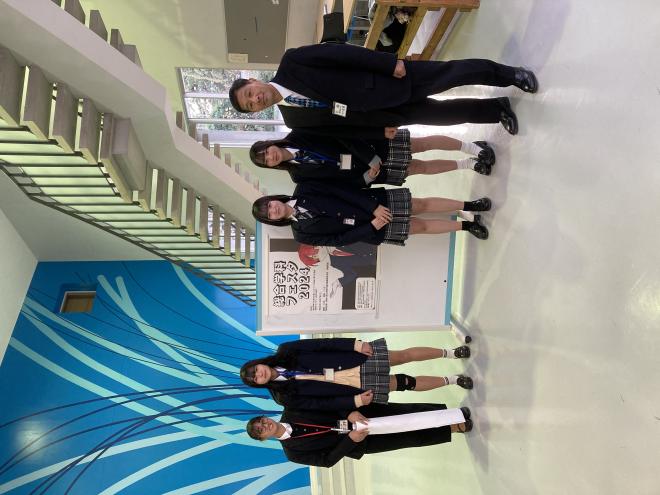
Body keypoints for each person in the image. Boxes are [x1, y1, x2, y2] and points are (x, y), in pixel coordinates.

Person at [229, 43, 538, 137]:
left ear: (253, 81)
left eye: (250, 94)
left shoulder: (292, 62)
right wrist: (378, 130)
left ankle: (511, 74)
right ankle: (497, 109)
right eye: (251, 106)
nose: (256, 99)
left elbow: (341, 53)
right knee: (446, 115)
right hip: (382, 113)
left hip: (386, 80)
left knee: (452, 74)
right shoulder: (292, 120)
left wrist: (387, 63)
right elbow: (339, 128)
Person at [239, 337, 474, 411]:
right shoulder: (283, 397)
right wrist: (354, 402)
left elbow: (322, 345)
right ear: (258, 384)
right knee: (405, 383)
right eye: (255, 379)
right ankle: (454, 380)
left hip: (353, 359)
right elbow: (321, 404)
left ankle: (451, 353)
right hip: (352, 388)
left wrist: (355, 344)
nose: (259, 374)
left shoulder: (285, 351)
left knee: (404, 355)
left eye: (255, 370)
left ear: (258, 364)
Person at [252, 180, 491, 245]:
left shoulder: (304, 188)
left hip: (373, 203)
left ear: (273, 199)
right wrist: (371, 226)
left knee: (422, 205)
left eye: (269, 205)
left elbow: (341, 191)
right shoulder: (301, 234)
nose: (273, 209)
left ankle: (470, 205)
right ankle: (468, 226)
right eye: (269, 214)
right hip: (373, 230)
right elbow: (338, 240)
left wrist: (373, 208)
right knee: (421, 227)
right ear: (272, 220)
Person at [246, 402, 473, 468]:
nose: (264, 425)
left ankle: (450, 415)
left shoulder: (293, 409)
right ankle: (454, 428)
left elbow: (326, 404)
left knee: (405, 412)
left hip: (360, 415)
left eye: (261, 421)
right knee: (409, 438)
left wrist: (349, 412)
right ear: (263, 439)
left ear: (265, 417)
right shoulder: (292, 453)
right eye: (260, 430)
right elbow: (326, 460)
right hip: (359, 443)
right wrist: (350, 440)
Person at [249, 128, 496, 188]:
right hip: (370, 172)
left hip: (371, 146)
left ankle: (472, 148)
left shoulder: (299, 133)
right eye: (265, 161)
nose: (270, 156)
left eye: (266, 151)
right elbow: (336, 184)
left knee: (422, 144)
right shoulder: (298, 176)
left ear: (269, 144)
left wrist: (370, 157)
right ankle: (468, 164)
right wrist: (366, 178)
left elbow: (341, 134)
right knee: (419, 168)